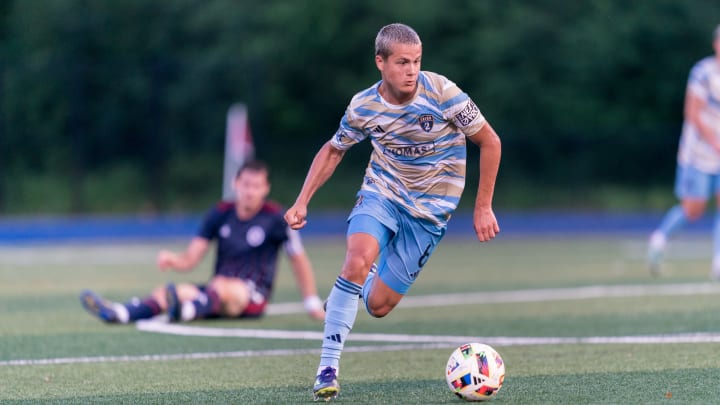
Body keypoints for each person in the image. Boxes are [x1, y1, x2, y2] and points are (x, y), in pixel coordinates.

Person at [284, 23, 502, 401]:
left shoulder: (444, 93)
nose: (411, 70)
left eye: (417, 61)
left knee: (379, 306)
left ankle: (353, 289)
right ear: (380, 62)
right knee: (355, 259)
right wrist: (302, 200)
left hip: (431, 214)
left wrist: (483, 206)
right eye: (402, 62)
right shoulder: (364, 106)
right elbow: (334, 149)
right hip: (382, 193)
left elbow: (490, 141)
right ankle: (327, 367)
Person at [80, 160, 325, 324]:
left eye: (256, 186)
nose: (250, 191)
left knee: (222, 288)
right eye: (246, 185)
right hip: (214, 292)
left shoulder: (275, 217)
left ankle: (185, 311)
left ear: (265, 188)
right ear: (236, 184)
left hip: (250, 296)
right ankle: (121, 313)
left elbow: (298, 258)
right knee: (173, 292)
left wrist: (311, 299)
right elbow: (192, 257)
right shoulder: (220, 213)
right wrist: (174, 260)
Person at [648, 24, 720, 279]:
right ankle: (659, 239)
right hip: (698, 154)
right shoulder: (702, 73)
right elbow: (692, 113)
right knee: (694, 209)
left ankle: (718, 262)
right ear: (716, 44)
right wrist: (714, 141)